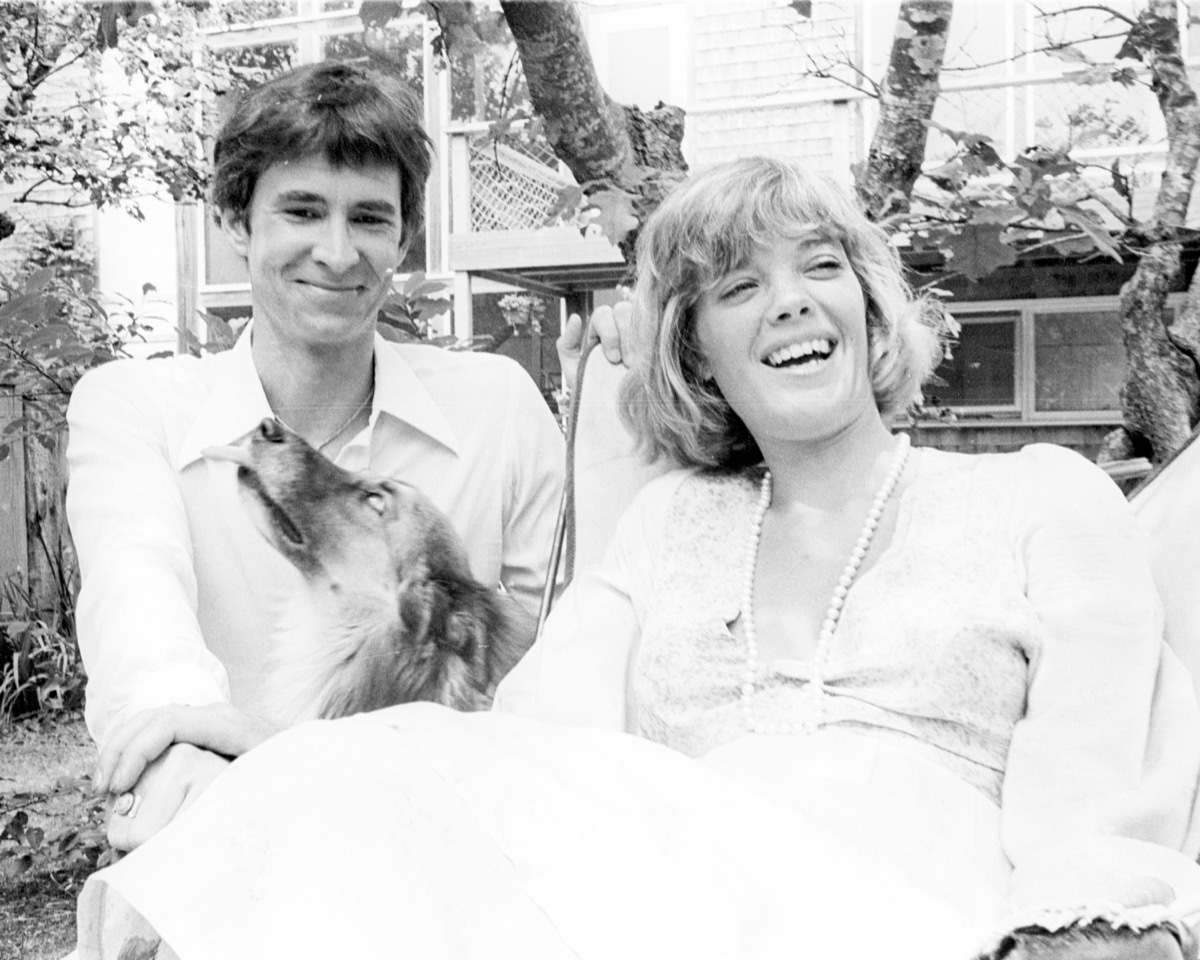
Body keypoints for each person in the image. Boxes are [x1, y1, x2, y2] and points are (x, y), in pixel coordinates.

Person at [79, 157, 1200, 960]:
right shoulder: (670, 522)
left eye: (822, 266)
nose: (794, 301)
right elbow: (511, 751)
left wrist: (1091, 919)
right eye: (741, 287)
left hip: (918, 906)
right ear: (698, 354)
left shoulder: (1035, 493)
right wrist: (276, 757)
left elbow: (1098, 780)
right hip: (670, 904)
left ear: (870, 303)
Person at [65, 61, 565, 851]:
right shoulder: (136, 408)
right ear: (236, 221)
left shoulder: (497, 406)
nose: (337, 253)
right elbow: (136, 595)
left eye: (368, 218)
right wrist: (185, 737)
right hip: (215, 833)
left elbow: (554, 674)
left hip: (443, 850)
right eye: (303, 210)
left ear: (402, 236)